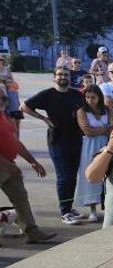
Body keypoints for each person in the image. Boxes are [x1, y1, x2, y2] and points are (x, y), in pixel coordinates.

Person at [20, 68, 86, 225]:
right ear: (54, 78)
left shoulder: (76, 94)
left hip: (76, 140)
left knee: (72, 176)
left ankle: (69, 208)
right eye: (60, 75)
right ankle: (65, 212)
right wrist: (43, 118)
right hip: (57, 141)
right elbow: (24, 106)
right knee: (64, 177)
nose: (63, 77)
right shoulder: (47, 94)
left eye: (66, 75)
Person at [0, 92, 56, 244]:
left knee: (20, 198)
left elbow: (15, 142)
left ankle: (31, 231)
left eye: (4, 99)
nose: (3, 101)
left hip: (10, 164)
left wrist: (33, 162)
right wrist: (6, 166)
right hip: (4, 165)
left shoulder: (4, 116)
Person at [74, 86, 113, 222]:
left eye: (93, 97)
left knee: (109, 175)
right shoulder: (82, 111)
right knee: (90, 176)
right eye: (87, 97)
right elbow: (88, 131)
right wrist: (105, 128)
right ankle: (92, 209)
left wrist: (101, 129)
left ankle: (110, 206)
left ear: (99, 98)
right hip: (89, 147)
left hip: (106, 144)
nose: (90, 100)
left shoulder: (107, 110)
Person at [0, 55, 23, 136]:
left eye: (1, 60)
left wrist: (7, 82)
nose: (0, 61)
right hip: (3, 92)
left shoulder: (7, 69)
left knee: (13, 92)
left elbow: (12, 81)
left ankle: (17, 140)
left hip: (9, 91)